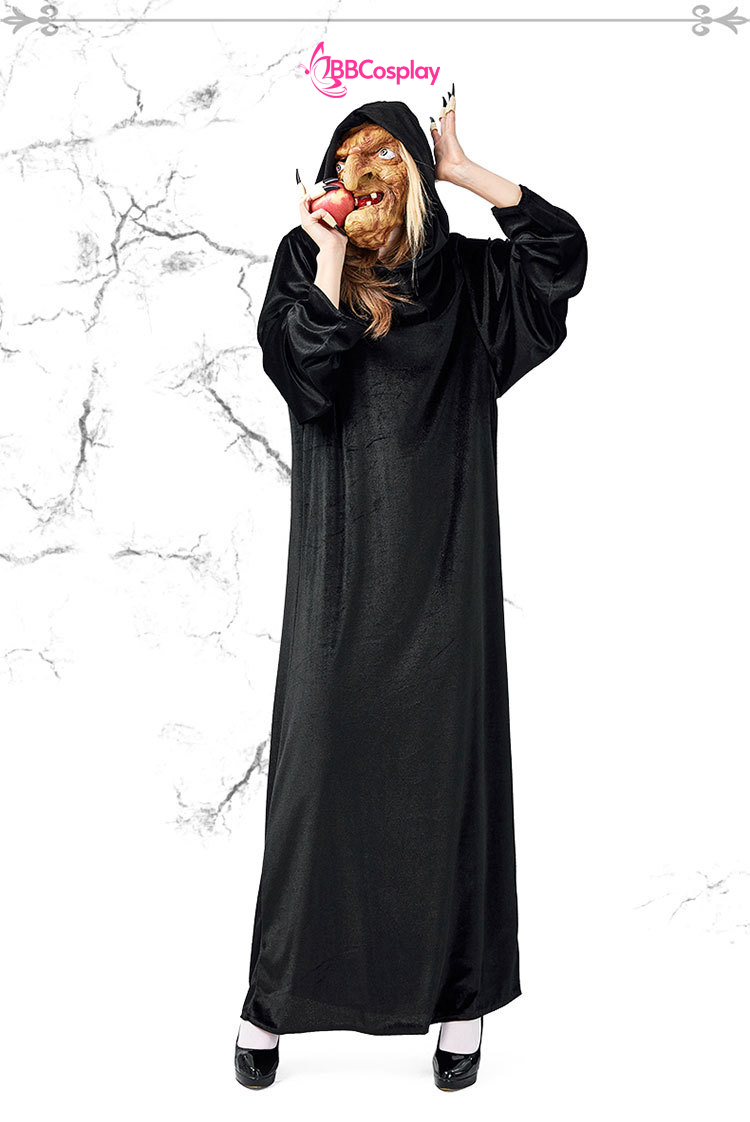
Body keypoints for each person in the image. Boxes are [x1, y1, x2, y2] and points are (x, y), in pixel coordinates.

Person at [234, 90, 588, 1091]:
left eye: (388, 154)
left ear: (417, 175)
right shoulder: (305, 260)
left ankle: (460, 1001)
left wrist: (468, 169)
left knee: (448, 786)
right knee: (317, 782)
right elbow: (305, 377)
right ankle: (273, 1000)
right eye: (351, 155)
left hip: (445, 580)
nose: (367, 171)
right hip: (342, 581)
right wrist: (328, 256)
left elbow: (561, 256)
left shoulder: (472, 281)